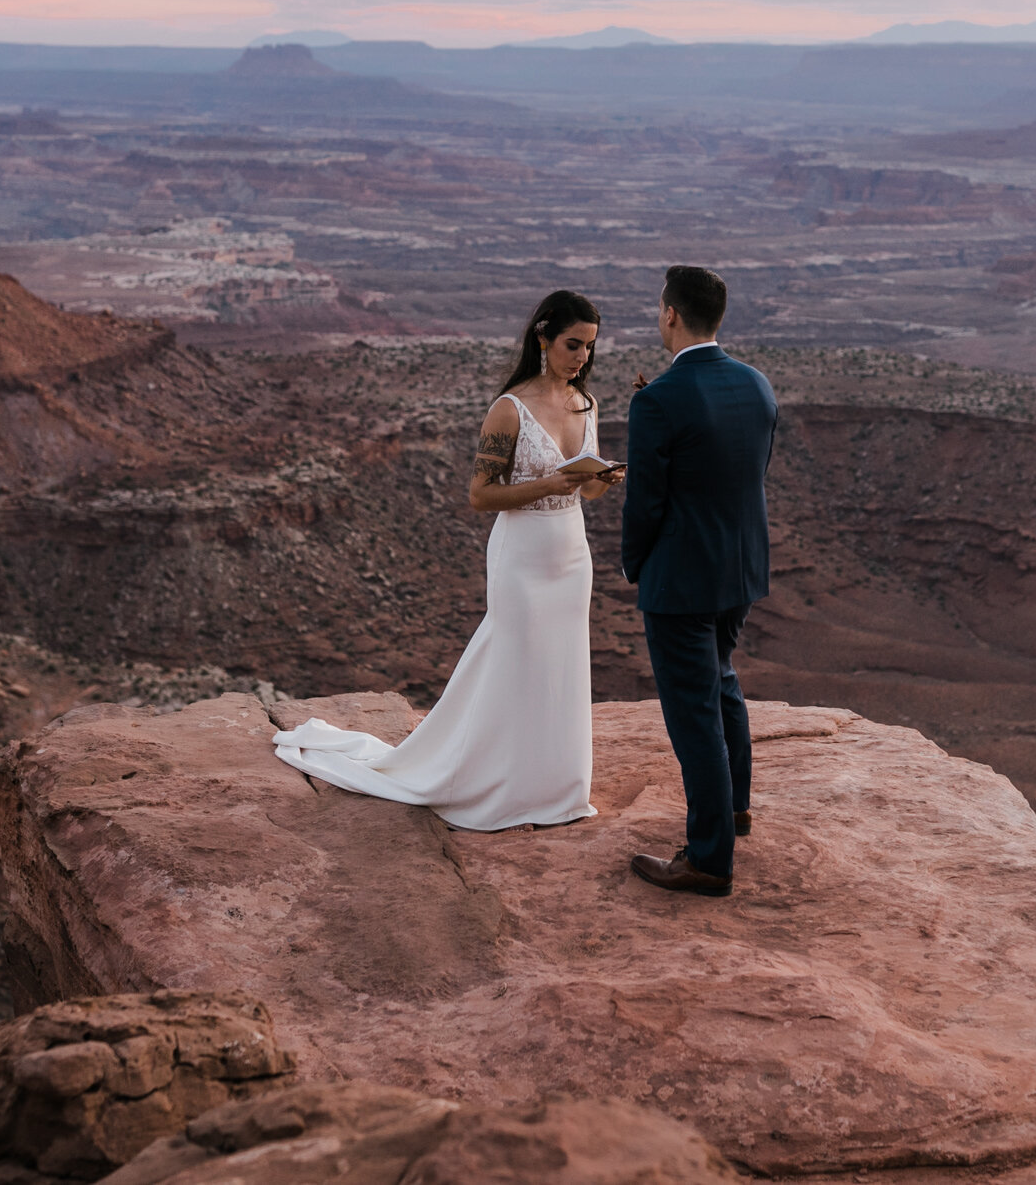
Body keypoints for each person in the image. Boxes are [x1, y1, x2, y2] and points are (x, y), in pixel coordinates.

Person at [270, 289, 619, 829]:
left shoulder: (587, 405)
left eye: (590, 349)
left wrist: (602, 481)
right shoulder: (510, 409)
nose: (583, 358)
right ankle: (493, 780)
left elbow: (584, 496)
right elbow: (480, 495)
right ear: (543, 337)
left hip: (572, 553)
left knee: (561, 664)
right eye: (574, 345)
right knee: (515, 659)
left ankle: (557, 788)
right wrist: (549, 482)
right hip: (522, 554)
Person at [621, 264, 777, 897]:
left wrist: (635, 562)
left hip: (681, 579)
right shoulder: (757, 385)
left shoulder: (658, 399)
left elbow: (646, 504)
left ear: (670, 315)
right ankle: (734, 810)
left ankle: (709, 858)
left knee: (694, 716)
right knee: (723, 684)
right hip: (739, 569)